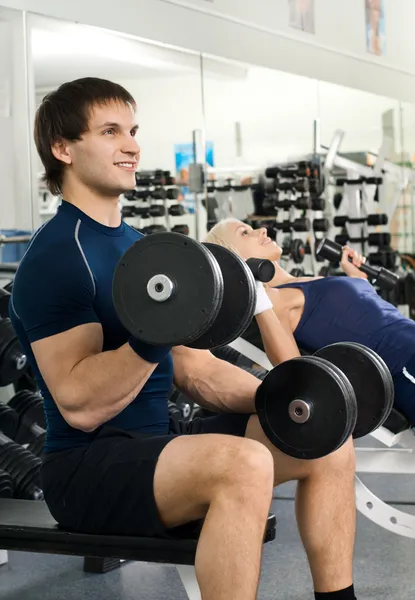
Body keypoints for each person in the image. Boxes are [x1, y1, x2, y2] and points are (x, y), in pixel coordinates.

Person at [10, 77, 357, 600]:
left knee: (324, 439)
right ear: (63, 149)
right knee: (243, 464)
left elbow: (195, 369)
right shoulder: (57, 257)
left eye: (132, 130)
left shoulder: (139, 247)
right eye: (110, 132)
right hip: (86, 471)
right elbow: (79, 404)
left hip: (159, 446)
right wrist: (153, 337)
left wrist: (286, 397)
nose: (131, 146)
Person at [205, 218, 415, 425]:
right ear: (234, 258)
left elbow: (364, 315)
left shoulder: (301, 282)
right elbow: (293, 368)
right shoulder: (274, 301)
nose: (261, 230)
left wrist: (357, 279)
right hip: (403, 361)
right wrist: (258, 298)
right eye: (244, 233)